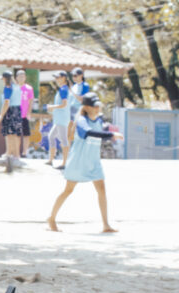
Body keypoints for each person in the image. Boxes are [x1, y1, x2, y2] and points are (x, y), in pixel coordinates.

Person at [47, 93, 124, 233]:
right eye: (94, 106)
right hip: (78, 162)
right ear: (87, 107)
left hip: (93, 162)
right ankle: (51, 218)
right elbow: (89, 133)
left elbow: (100, 133)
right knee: (68, 191)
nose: (97, 108)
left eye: (98, 105)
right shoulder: (81, 121)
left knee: (102, 190)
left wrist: (109, 134)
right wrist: (111, 135)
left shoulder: (99, 120)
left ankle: (106, 225)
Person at [0, 71, 22, 171]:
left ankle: (13, 154)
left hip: (10, 111)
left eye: (2, 78)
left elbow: (6, 102)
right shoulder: (16, 86)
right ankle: (12, 154)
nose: (2, 80)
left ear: (5, 78)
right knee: (14, 134)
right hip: (17, 110)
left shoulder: (8, 87)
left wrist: (1, 115)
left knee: (9, 133)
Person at [46, 71, 71, 168]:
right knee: (51, 136)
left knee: (64, 140)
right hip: (59, 119)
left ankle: (65, 163)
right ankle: (50, 160)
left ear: (64, 78)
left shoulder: (63, 89)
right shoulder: (62, 89)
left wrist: (53, 106)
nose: (56, 79)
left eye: (58, 77)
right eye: (56, 78)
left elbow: (64, 104)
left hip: (62, 119)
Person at [68, 67, 90, 144]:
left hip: (79, 110)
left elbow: (81, 99)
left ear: (81, 75)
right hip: (71, 110)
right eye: (73, 76)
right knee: (69, 132)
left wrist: (72, 92)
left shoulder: (85, 85)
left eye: (76, 75)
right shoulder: (74, 86)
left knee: (77, 132)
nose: (74, 77)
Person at [15, 69, 34, 156]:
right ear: (16, 78)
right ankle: (16, 152)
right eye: (20, 76)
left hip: (25, 115)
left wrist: (28, 113)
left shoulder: (29, 89)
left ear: (25, 77)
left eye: (23, 76)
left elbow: (31, 101)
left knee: (26, 134)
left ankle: (24, 152)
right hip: (16, 114)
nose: (21, 78)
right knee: (17, 135)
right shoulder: (15, 87)